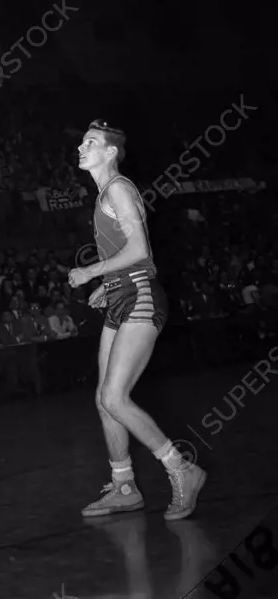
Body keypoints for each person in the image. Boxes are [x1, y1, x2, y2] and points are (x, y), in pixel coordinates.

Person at [68, 119, 206, 520]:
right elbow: (133, 258)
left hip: (141, 298)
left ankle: (182, 468)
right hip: (123, 292)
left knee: (114, 396)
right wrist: (108, 285)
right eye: (81, 141)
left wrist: (91, 272)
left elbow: (141, 249)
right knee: (103, 400)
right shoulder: (104, 195)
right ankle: (124, 484)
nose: (81, 147)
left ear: (110, 152)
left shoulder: (119, 188)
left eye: (90, 142)